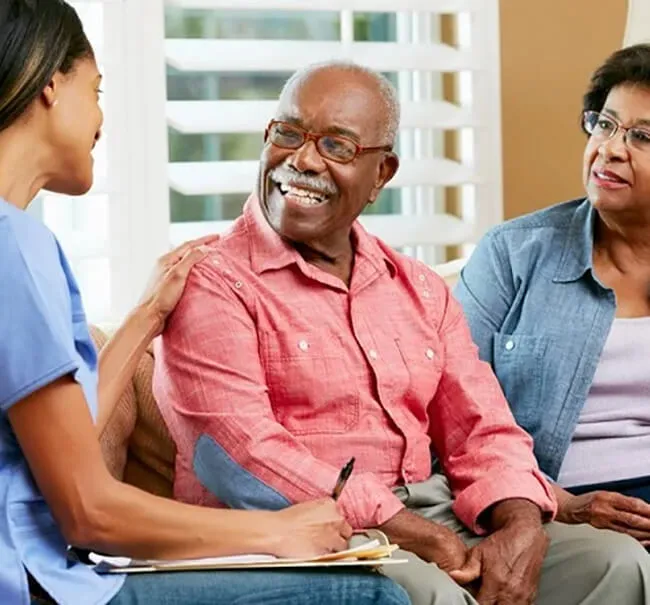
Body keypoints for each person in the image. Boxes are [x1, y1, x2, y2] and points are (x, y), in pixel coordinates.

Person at [153, 59, 650, 605]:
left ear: (382, 175)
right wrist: (411, 530)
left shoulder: (415, 286)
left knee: (615, 563)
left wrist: (519, 523)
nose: (301, 160)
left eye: (336, 146)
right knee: (433, 592)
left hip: (436, 513)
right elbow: (241, 455)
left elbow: (482, 426)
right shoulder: (211, 281)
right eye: (288, 134)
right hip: (305, 533)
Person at [0, 2, 412, 605]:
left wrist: (144, 318)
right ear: (50, 85)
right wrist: (276, 530)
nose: (101, 119)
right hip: (35, 584)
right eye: (97, 89)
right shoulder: (17, 245)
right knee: (367, 597)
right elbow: (87, 510)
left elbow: (62, 448)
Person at [454, 43, 650, 548]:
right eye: (604, 125)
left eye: (642, 137)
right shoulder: (512, 256)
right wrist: (558, 504)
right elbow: (452, 419)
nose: (609, 148)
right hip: (555, 504)